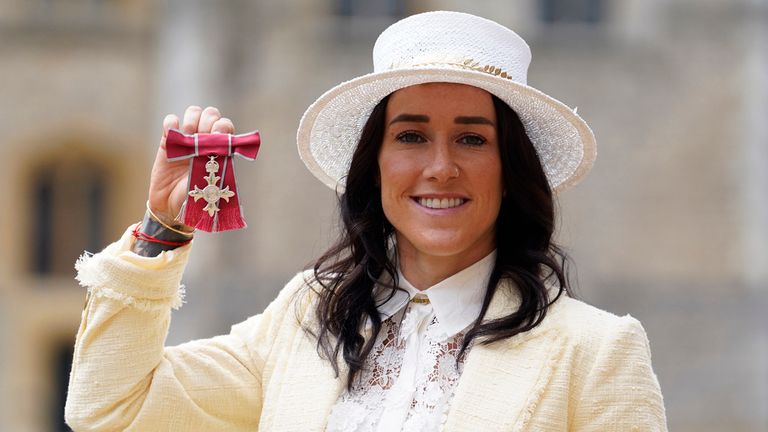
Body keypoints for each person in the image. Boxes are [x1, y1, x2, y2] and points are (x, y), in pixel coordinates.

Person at [64, 11, 667, 432]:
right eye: (410, 135)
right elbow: (111, 408)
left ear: (510, 170)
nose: (440, 167)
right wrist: (162, 230)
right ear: (373, 166)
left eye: (472, 139)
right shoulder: (304, 319)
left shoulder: (597, 351)